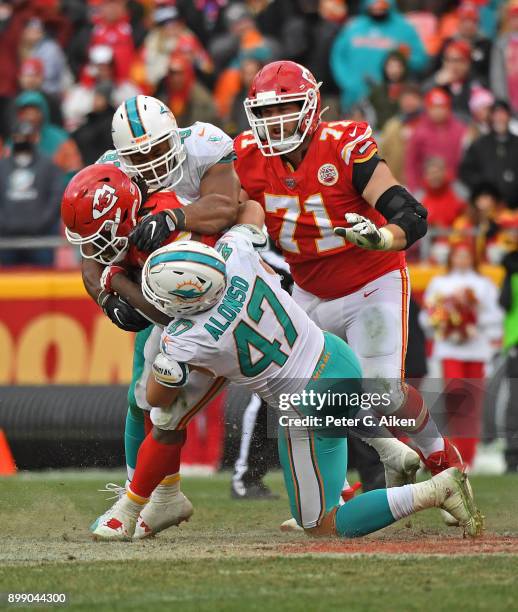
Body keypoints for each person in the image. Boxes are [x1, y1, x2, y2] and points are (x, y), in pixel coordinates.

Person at [90, 218, 483, 541]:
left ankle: (435, 490)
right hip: (335, 356)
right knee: (324, 479)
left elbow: (157, 399)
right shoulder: (236, 254)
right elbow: (252, 216)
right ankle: (391, 452)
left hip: (307, 403)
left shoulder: (188, 338)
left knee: (324, 524)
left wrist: (162, 362)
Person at [234, 61, 467, 530]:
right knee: (302, 400)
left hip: (371, 281)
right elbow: (229, 206)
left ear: (311, 107)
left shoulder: (343, 145)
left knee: (380, 391)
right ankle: (338, 491)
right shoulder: (246, 156)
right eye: (268, 112)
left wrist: (381, 237)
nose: (276, 123)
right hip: (307, 290)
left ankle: (443, 459)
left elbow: (410, 213)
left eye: (286, 109)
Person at [74, 95, 240, 535]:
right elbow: (92, 252)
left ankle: (340, 486)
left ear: (175, 134)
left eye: (155, 148)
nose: (147, 162)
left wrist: (174, 217)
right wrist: (107, 299)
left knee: (289, 386)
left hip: (227, 282)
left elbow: (228, 205)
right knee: (146, 398)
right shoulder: (109, 170)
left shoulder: (204, 143)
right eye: (137, 155)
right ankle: (154, 493)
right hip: (155, 289)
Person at [420, 242, 503, 467]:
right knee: (456, 398)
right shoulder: (440, 283)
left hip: (476, 349)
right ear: (452, 259)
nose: (462, 260)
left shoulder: (483, 284)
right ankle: (456, 454)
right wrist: (445, 326)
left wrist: (474, 323)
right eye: (458, 256)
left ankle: (470, 455)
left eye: (467, 256)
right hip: (450, 349)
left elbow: (495, 315)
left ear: (472, 259)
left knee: (473, 401)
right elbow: (427, 315)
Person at [330, 0, 428, 112]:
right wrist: (348, 83)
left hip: (388, 102)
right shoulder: (353, 26)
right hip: (353, 98)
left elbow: (421, 60)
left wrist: (406, 57)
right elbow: (337, 57)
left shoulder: (405, 28)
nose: (377, 6)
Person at [0, 120, 64, 266]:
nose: (22, 141)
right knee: (10, 285)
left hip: (41, 238)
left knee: (43, 283)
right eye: (18, 137)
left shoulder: (49, 166)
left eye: (27, 137)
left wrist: (41, 222)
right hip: (7, 240)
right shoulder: (2, 166)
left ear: (34, 138)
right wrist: (5, 223)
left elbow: (56, 197)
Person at [405, 88, 468, 193]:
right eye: (434, 108)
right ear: (428, 109)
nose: (438, 111)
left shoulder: (460, 129)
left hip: (454, 185)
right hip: (427, 187)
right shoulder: (419, 132)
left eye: (441, 107)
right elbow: (411, 163)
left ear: (448, 108)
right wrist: (414, 188)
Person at [460, 100, 518, 209]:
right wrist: (484, 189)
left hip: (514, 208)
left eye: (503, 114)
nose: (499, 118)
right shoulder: (479, 145)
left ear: (509, 117)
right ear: (490, 118)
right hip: (486, 207)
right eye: (496, 114)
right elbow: (466, 171)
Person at [14, 90, 82, 179]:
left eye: (34, 112)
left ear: (43, 112)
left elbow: (73, 170)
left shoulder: (60, 138)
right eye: (25, 113)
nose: (30, 117)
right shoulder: (15, 140)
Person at [154, 52, 219, 128]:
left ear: (188, 73)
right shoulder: (162, 96)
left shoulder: (202, 101)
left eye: (180, 73)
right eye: (172, 73)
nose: (175, 78)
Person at [499, 238, 518, 473]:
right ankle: (513, 456)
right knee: (515, 403)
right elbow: (504, 303)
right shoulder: (512, 276)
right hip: (516, 344)